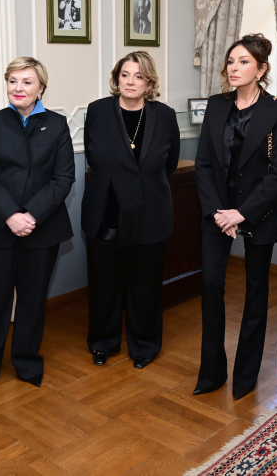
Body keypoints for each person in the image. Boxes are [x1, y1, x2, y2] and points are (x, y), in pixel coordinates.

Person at [0, 57, 74, 394]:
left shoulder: (57, 124)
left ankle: (27, 363)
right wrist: (10, 215)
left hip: (43, 229)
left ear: (41, 87)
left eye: (27, 82)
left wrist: (32, 215)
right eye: (12, 81)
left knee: (32, 300)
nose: (18, 88)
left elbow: (63, 178)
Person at [193, 34, 277, 401]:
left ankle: (245, 374)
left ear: (261, 69)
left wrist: (243, 212)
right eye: (231, 61)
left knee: (255, 292)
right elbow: (204, 163)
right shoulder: (216, 105)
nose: (233, 68)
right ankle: (212, 372)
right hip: (218, 212)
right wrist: (219, 212)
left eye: (243, 62)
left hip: (258, 213)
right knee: (210, 286)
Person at [81, 52, 179, 368]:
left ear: (149, 82)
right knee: (104, 284)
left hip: (150, 212)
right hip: (106, 211)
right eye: (124, 75)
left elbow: (170, 163)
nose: (130, 82)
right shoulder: (97, 111)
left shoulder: (165, 115)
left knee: (145, 285)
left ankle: (145, 344)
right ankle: (103, 342)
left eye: (138, 76)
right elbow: (93, 158)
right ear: (116, 79)